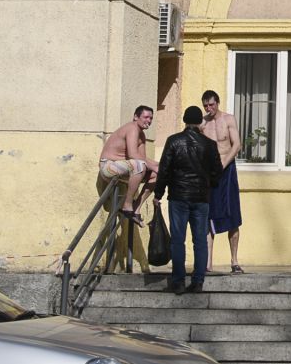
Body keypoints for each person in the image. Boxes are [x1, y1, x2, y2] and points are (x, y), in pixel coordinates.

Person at [155, 106, 222, 294]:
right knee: (200, 240)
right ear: (200, 122)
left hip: (178, 196)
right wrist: (209, 185)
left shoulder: (174, 141)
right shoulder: (209, 144)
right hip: (201, 198)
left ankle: (178, 281)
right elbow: (217, 172)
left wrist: (158, 194)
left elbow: (164, 170)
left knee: (178, 240)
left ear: (184, 120)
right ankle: (198, 280)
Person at [201, 90, 245, 274]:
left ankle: (234, 261)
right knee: (207, 216)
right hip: (209, 173)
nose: (209, 108)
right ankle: (208, 262)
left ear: (217, 103)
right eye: (205, 105)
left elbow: (237, 144)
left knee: (231, 214)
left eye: (211, 104)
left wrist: (223, 164)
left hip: (227, 171)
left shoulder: (228, 119)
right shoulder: (202, 123)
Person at [98, 105, 156, 224]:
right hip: (108, 166)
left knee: (156, 174)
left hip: (124, 168)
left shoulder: (141, 135)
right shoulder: (132, 128)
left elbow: (142, 158)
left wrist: (160, 166)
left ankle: (136, 208)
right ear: (136, 117)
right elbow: (133, 155)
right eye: (146, 117)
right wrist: (155, 165)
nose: (149, 121)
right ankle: (127, 205)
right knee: (139, 165)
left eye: (151, 118)